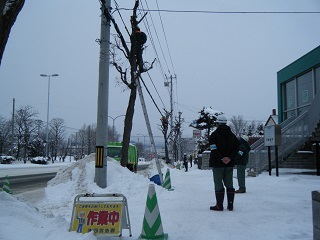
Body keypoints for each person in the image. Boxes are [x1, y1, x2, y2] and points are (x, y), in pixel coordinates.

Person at [208, 115, 239, 211]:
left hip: (217, 164)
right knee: (229, 184)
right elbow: (236, 148)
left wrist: (221, 158)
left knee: (218, 184)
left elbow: (213, 149)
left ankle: (219, 205)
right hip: (229, 164)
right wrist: (229, 158)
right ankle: (230, 205)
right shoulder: (232, 136)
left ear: (217, 123)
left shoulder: (214, 135)